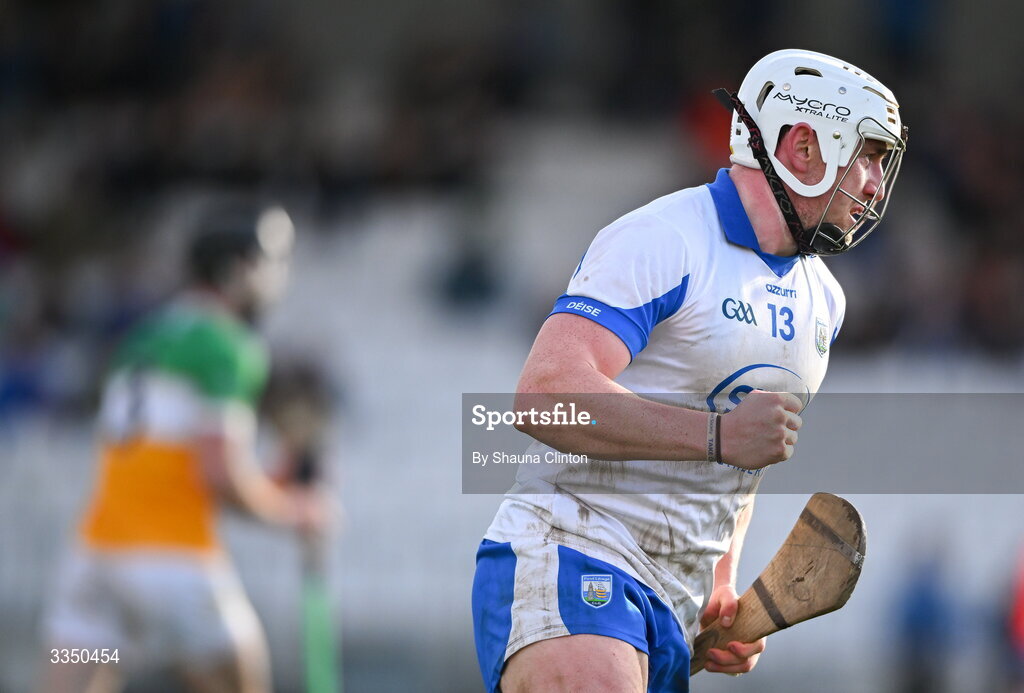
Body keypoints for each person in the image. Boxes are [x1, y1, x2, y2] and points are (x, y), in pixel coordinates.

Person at [472, 49, 907, 692]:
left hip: (672, 603)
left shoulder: (825, 301)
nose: (874, 185)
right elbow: (543, 395)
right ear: (803, 146)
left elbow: (745, 458)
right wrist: (716, 435)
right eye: (866, 155)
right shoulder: (665, 238)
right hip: (571, 549)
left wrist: (721, 582)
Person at [40, 205, 328, 693]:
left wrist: (269, 481)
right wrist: (293, 512)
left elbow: (167, 452)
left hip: (94, 562)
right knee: (239, 679)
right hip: (173, 563)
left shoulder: (141, 337)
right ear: (235, 269)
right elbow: (219, 474)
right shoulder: (227, 345)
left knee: (80, 671)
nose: (276, 277)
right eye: (268, 263)